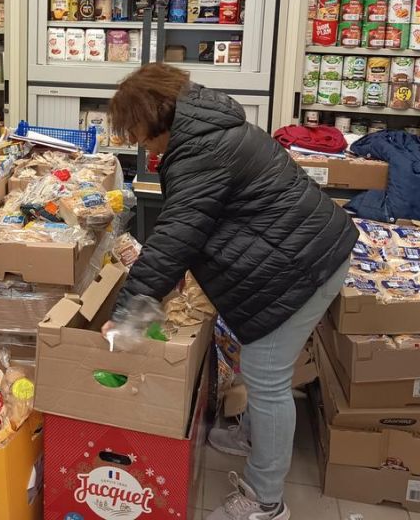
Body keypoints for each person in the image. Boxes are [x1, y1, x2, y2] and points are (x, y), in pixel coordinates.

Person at [104, 64, 355, 520]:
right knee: (261, 368)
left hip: (303, 264)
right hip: (299, 250)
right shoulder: (209, 126)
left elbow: (175, 236)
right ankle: (253, 438)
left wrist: (129, 315)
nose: (140, 143)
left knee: (267, 376)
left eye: (137, 131)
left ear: (156, 115)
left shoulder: (200, 149)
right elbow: (200, 225)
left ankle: (265, 501)